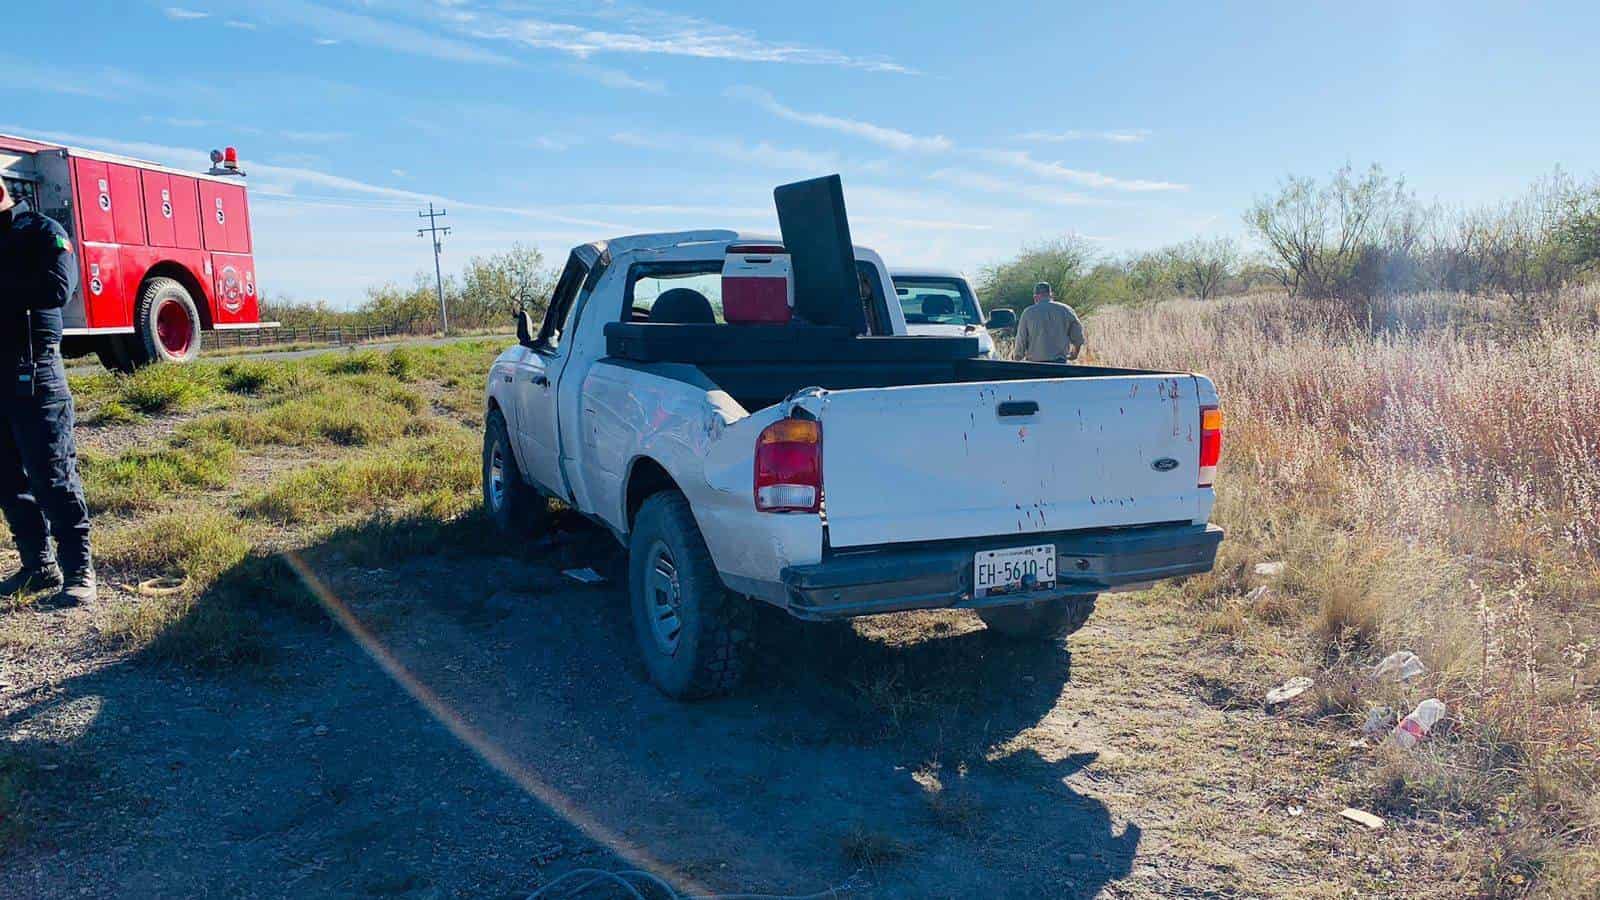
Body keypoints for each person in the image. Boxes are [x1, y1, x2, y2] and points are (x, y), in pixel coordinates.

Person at [0, 179, 95, 606]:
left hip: (34, 370)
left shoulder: (40, 231)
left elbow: (58, 289)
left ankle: (79, 571)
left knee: (52, 475)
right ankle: (38, 568)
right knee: (6, 481)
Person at [1012, 281, 1085, 363]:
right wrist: (1074, 354)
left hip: (1035, 366)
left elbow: (1021, 339)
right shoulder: (1066, 310)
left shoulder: (1028, 313)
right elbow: (1078, 335)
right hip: (1059, 364)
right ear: (1051, 295)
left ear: (1035, 297)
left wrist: (1018, 357)